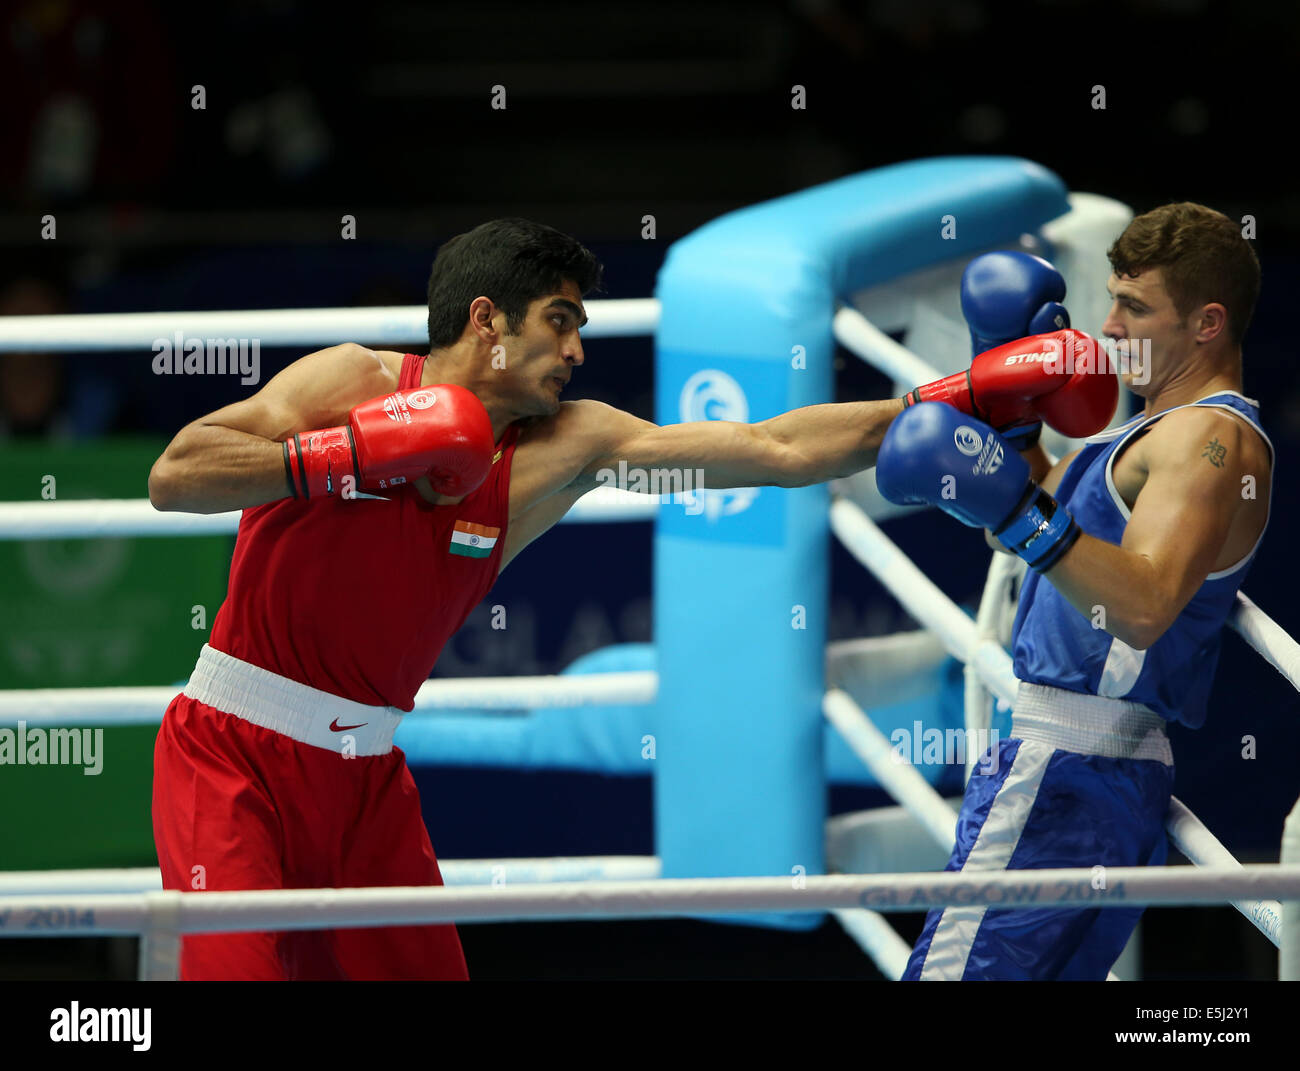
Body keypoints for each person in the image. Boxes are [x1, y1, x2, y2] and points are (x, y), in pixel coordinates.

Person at [148, 217, 1114, 980]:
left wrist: (953, 400)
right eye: (559, 321)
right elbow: (177, 473)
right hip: (232, 751)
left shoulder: (571, 443)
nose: (576, 350)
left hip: (366, 781)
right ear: (487, 320)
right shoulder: (354, 378)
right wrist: (347, 453)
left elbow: (773, 449)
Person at [879, 202, 1271, 980]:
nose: (1109, 325)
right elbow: (1040, 531)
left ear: (1207, 323)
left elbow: (1144, 603)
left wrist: (1018, 510)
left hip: (1066, 765)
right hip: (1088, 773)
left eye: (1134, 305)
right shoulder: (1155, 432)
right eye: (1112, 298)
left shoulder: (1208, 442)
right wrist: (1015, 431)